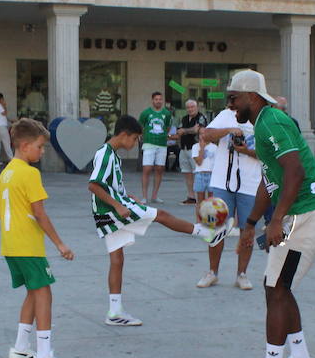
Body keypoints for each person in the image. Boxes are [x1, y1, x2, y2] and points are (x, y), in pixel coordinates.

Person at [227, 70, 315, 358]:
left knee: (276, 288)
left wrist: (277, 220)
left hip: (305, 215)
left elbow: (295, 169)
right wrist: (250, 223)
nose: (230, 105)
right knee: (278, 287)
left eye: (234, 98)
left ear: (252, 97)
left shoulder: (271, 120)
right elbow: (269, 179)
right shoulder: (263, 124)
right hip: (301, 215)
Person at [88, 116, 230, 327]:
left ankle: (115, 311)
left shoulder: (111, 155)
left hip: (109, 211)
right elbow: (94, 185)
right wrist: (119, 205)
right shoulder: (105, 155)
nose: (135, 143)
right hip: (112, 211)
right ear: (124, 134)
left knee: (117, 258)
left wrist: (128, 196)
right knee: (161, 215)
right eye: (135, 139)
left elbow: (109, 184)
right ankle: (205, 233)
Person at [0, 118, 75, 358]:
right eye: (40, 147)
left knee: (32, 291)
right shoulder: (30, 173)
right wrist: (60, 244)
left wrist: (15, 221)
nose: (42, 152)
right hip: (28, 246)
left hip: (10, 245)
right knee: (44, 293)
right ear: (26, 145)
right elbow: (40, 214)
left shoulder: (6, 171)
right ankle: (44, 355)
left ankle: (20, 348)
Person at [196, 98, 263, 290]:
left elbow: (266, 153)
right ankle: (212, 272)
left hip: (250, 184)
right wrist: (229, 131)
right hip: (221, 182)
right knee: (215, 227)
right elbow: (206, 135)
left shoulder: (259, 120)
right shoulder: (226, 116)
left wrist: (246, 151)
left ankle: (242, 274)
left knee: (247, 230)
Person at [138, 91, 173, 203]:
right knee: (147, 169)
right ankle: (144, 196)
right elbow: (140, 126)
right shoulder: (146, 113)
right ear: (152, 100)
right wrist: (144, 136)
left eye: (160, 99)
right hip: (149, 144)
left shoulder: (166, 113)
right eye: (156, 99)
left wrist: (163, 136)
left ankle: (154, 195)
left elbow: (167, 127)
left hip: (162, 145)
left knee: (159, 169)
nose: (158, 101)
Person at [173, 98, 206, 203]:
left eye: (192, 107)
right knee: (187, 173)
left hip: (195, 149)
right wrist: (188, 130)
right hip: (184, 148)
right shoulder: (184, 118)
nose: (190, 109)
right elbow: (179, 131)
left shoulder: (201, 117)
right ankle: (191, 196)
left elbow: (197, 130)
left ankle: (200, 197)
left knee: (197, 174)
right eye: (188, 107)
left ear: (197, 107)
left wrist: (185, 130)